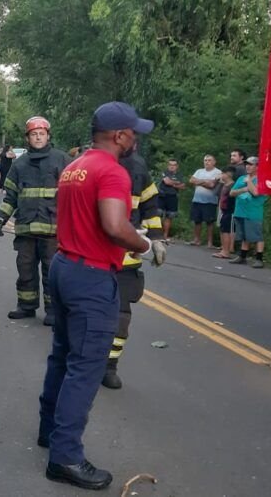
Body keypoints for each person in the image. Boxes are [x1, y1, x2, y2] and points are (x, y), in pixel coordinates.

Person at [39, 101, 153, 491]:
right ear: (119, 136)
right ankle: (65, 456)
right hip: (90, 275)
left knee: (62, 356)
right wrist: (145, 246)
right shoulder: (113, 172)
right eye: (132, 132)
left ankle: (49, 431)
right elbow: (114, 226)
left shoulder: (75, 167)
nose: (135, 138)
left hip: (64, 265)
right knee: (86, 367)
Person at [0, 117, 70, 326]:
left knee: (51, 272)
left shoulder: (62, 160)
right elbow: (11, 196)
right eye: (34, 134)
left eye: (41, 134)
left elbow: (73, 195)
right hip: (26, 229)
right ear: (27, 138)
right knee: (25, 268)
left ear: (48, 136)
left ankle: (53, 311)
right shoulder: (19, 165)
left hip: (53, 231)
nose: (38, 137)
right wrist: (2, 216)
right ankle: (26, 306)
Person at [101, 150, 164, 390]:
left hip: (127, 260)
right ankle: (84, 360)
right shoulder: (92, 163)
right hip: (94, 259)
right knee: (85, 313)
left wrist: (157, 239)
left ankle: (109, 366)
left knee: (121, 316)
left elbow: (150, 207)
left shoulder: (138, 166)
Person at [229, 156, 266, 267]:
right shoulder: (241, 178)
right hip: (240, 211)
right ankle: (242, 256)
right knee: (244, 235)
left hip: (253, 211)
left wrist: (249, 181)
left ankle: (259, 258)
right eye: (247, 164)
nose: (248, 167)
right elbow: (232, 193)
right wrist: (244, 189)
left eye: (251, 164)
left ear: (257, 167)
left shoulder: (262, 179)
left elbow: (255, 193)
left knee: (256, 235)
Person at [188, 154, 221, 247]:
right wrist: (206, 181)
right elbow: (191, 180)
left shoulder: (218, 172)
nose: (207, 162)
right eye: (205, 160)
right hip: (197, 200)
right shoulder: (199, 171)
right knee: (197, 220)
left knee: (209, 222)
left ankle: (210, 242)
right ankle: (196, 240)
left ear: (214, 162)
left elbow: (212, 185)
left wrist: (199, 181)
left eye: (209, 160)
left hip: (210, 201)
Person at [157, 159, 185, 239]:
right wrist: (176, 183)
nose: (172, 166)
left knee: (170, 216)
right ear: (168, 166)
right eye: (170, 165)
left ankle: (165, 235)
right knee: (158, 214)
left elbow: (183, 186)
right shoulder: (164, 172)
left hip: (172, 196)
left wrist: (172, 183)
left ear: (177, 166)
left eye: (174, 165)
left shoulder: (180, 175)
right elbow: (167, 182)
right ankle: (157, 233)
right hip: (162, 196)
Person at [213, 169, 237, 259]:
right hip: (223, 210)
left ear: (228, 174)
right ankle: (223, 249)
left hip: (230, 211)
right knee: (223, 230)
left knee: (227, 231)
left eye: (223, 173)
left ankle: (227, 251)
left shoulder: (232, 185)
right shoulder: (224, 185)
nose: (221, 175)